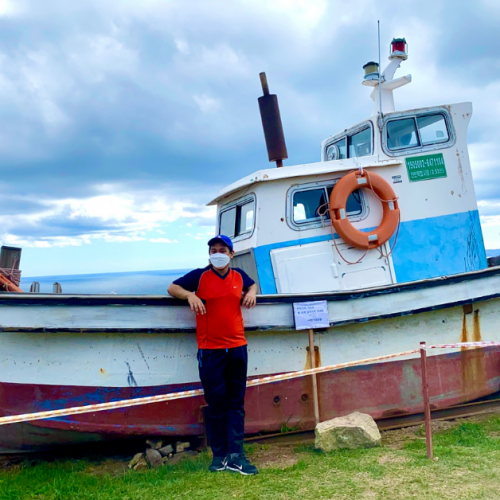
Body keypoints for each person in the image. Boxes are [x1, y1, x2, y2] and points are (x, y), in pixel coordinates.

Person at [167, 234, 259, 475]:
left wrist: (252, 292)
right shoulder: (199, 276)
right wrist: (190, 295)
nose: (217, 253)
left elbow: (251, 284)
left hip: (238, 347)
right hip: (210, 351)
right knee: (216, 404)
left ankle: (237, 455)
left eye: (222, 249)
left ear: (231, 254)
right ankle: (219, 456)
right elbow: (172, 287)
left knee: (236, 403)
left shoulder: (239, 276)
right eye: (213, 249)